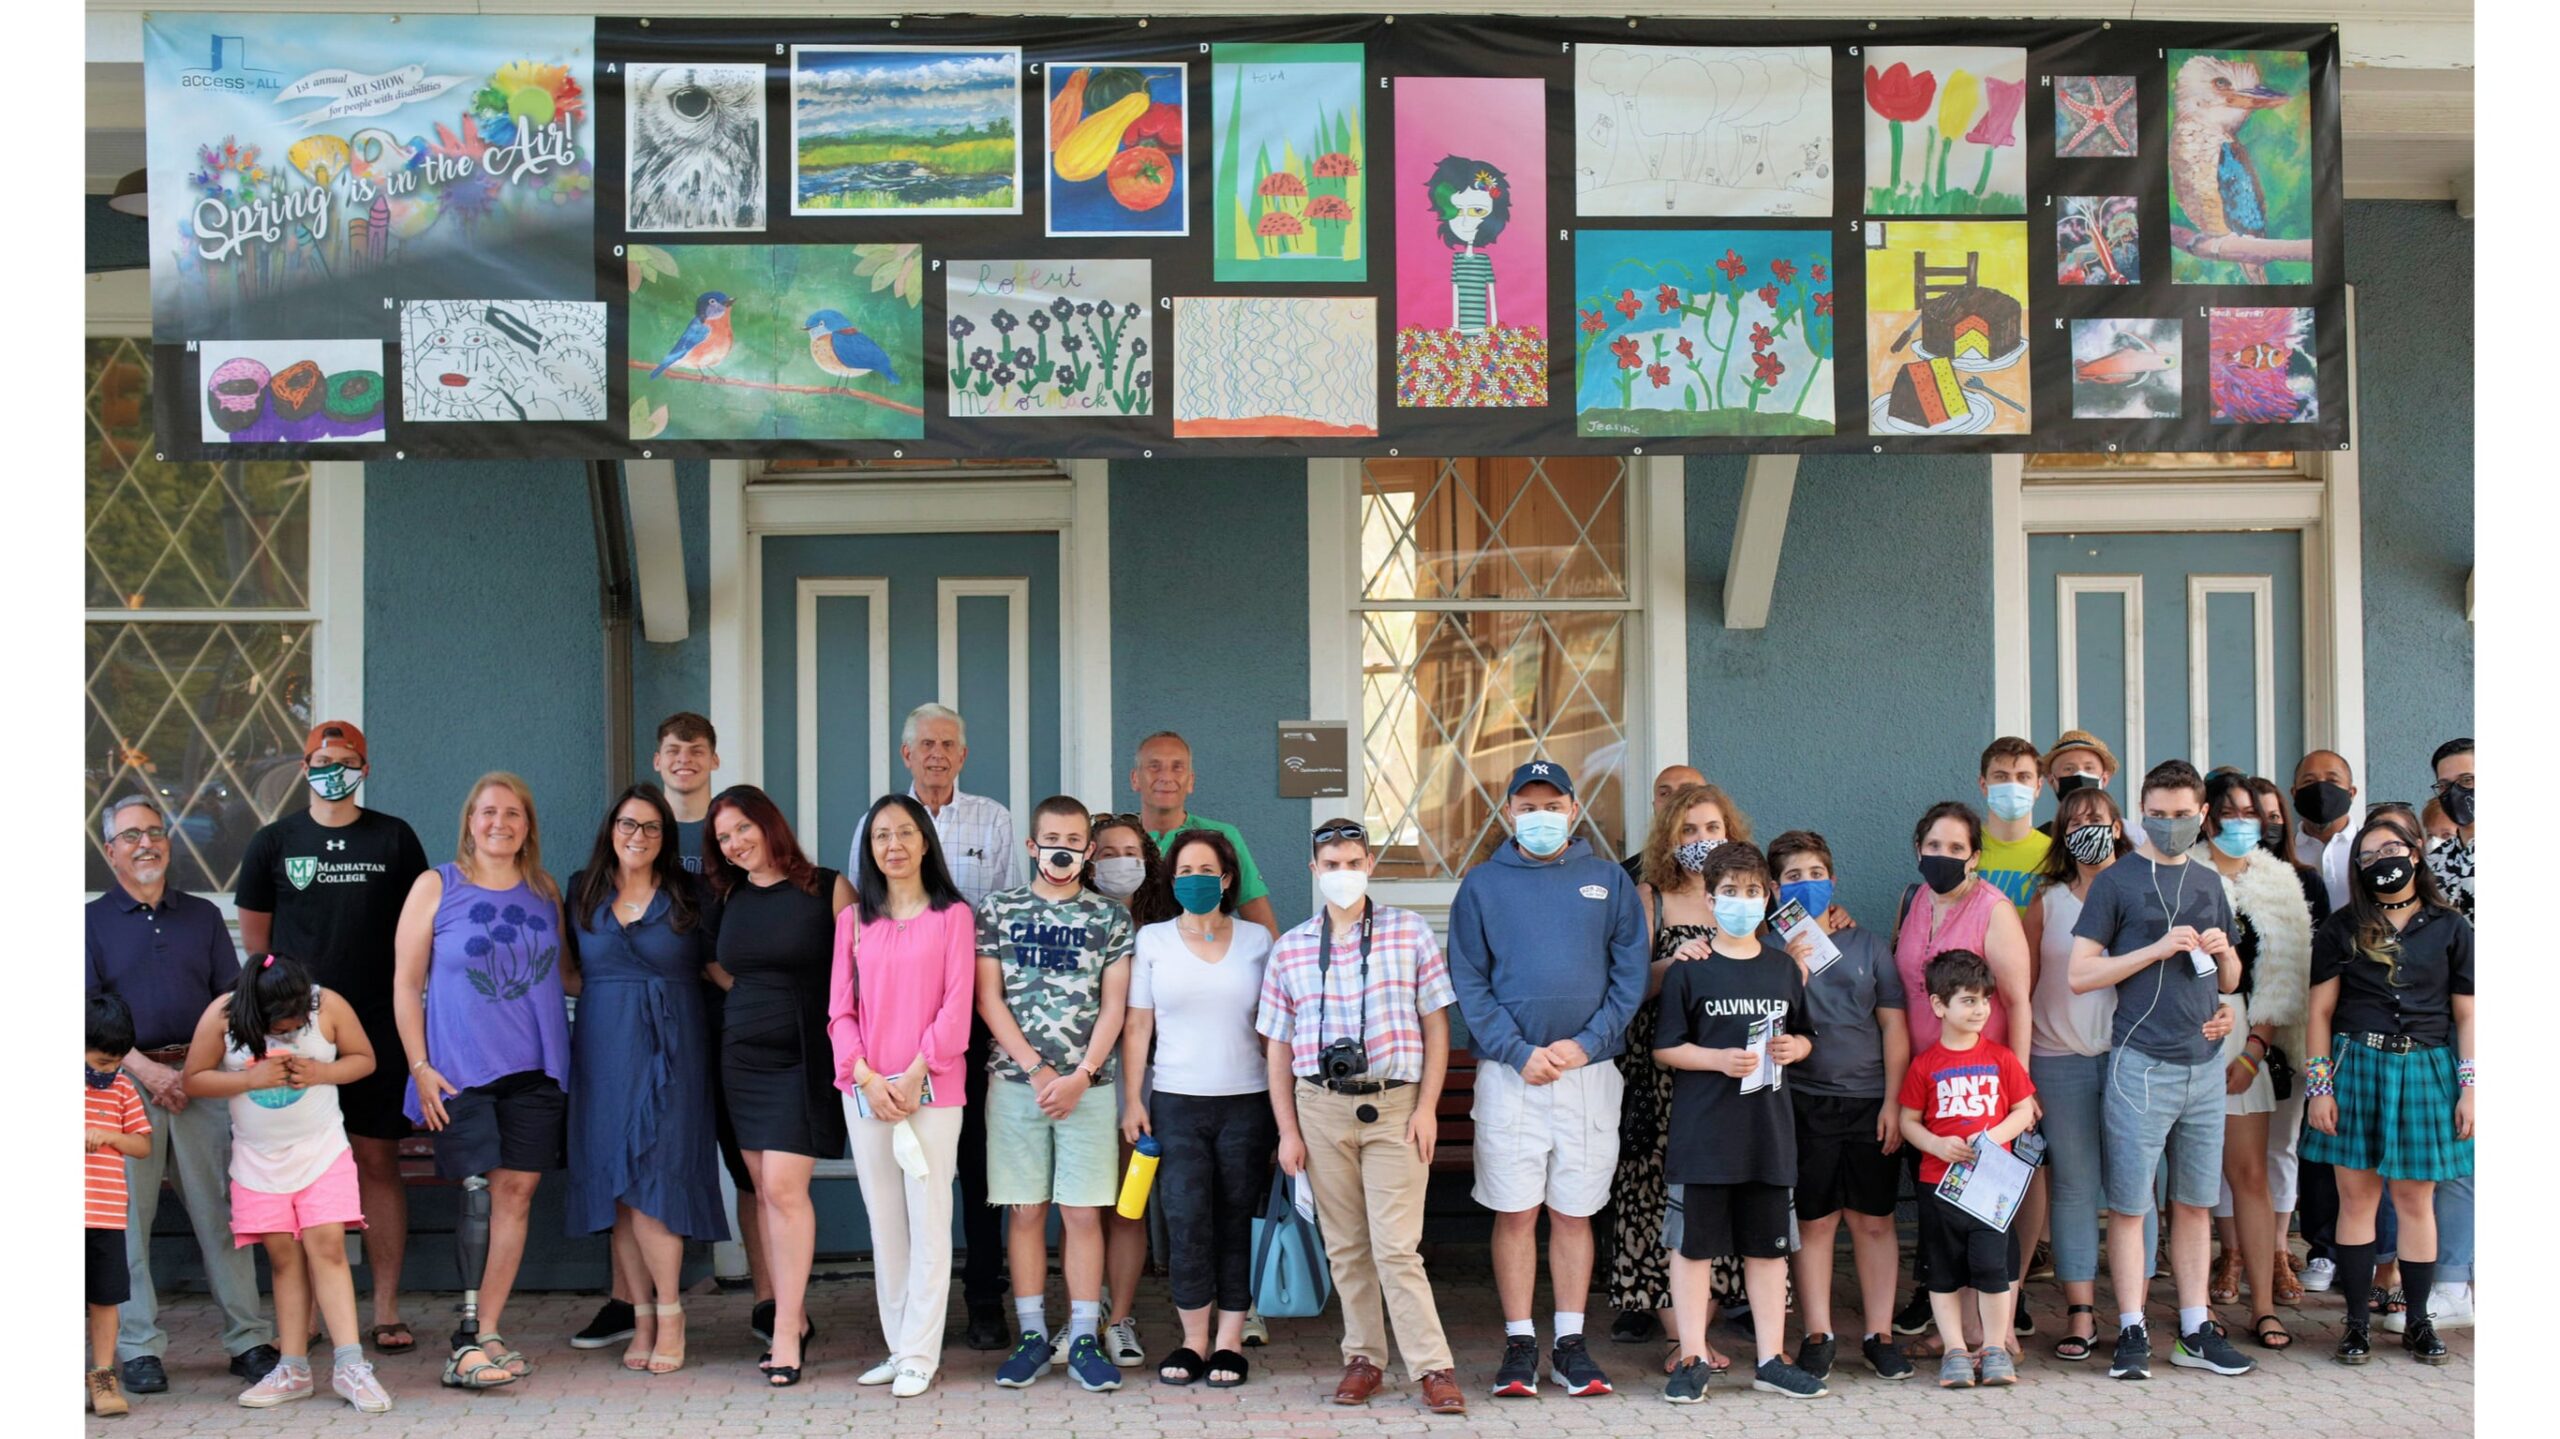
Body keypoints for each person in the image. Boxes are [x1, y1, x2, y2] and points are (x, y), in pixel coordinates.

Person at [1447, 760, 1647, 1400]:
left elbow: (1630, 976)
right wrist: (1514, 1049)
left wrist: (1586, 1045)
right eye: (1527, 805)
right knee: (1514, 1211)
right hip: (1511, 1077)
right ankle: (1518, 1343)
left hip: (1589, 1074)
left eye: (1551, 803)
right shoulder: (1481, 885)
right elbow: (1469, 980)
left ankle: (1568, 1342)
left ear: (1572, 806)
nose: (1540, 815)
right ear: (1509, 812)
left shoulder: (1607, 879)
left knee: (1573, 1212)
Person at [234, 720, 432, 1356]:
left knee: (376, 1160)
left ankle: (386, 1307)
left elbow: (419, 930)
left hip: (376, 1025)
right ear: (304, 766)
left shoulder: (394, 838)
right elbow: (257, 943)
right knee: (299, 1163)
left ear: (364, 769)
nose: (332, 768)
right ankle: (309, 1314)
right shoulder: (273, 842)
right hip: (298, 1029)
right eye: (322, 759)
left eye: (345, 760)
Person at [1259, 819, 1466, 1415]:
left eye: (1353, 862)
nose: (1343, 874)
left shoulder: (1408, 932)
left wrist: (1427, 1107)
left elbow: (1436, 1024)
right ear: (1314, 871)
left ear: (1370, 864)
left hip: (1395, 1105)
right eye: (1332, 864)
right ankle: (1365, 1358)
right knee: (1345, 1246)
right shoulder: (1292, 946)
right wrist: (1288, 1131)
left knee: (1397, 1247)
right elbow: (1277, 1045)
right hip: (1320, 1107)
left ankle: (1433, 1367)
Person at [84, 794, 277, 1394]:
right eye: (131, 835)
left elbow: (231, 1002)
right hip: (121, 1087)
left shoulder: (200, 917)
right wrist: (148, 1072)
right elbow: (83, 1014)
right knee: (128, 1222)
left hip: (200, 1082)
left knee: (222, 1213)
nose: (146, 843)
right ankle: (138, 1348)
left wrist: (188, 1071)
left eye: (155, 831)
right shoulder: (88, 923)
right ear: (110, 850)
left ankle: (247, 1338)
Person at [2066, 758, 2251, 1381]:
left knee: (2196, 1203)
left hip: (2203, 1064)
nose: (2168, 825)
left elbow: (2228, 981)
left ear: (2203, 817)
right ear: (2139, 813)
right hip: (2139, 1064)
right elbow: (2080, 973)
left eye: (2180, 816)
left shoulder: (2208, 883)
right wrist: (2153, 948)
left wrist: (2226, 989)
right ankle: (2133, 1328)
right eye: (2157, 815)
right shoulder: (2117, 881)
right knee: (2129, 1204)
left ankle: (2195, 1328)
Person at [593, 712, 767, 1354]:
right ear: (658, 759)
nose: (684, 760)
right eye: (673, 751)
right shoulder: (631, 847)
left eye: (697, 751)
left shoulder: (731, 828)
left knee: (751, 1164)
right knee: (631, 1162)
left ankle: (770, 1301)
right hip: (644, 1023)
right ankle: (625, 1303)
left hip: (724, 1016)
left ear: (714, 760)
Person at [393, 773, 571, 1391]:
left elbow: (567, 975)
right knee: (475, 1194)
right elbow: (404, 983)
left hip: (535, 1070)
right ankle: (463, 1342)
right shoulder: (436, 885)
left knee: (516, 1192)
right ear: (470, 821)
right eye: (489, 812)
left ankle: (488, 1330)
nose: (501, 823)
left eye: (514, 814)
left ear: (528, 826)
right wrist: (419, 1065)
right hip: (458, 1070)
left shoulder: (545, 890)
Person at [1650, 841, 1825, 1403]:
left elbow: (1806, 1035)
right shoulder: (1689, 971)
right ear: (1709, 898)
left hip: (1767, 1134)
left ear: (1768, 896)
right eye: (1730, 892)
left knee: (1768, 1249)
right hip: (1703, 1135)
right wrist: (1716, 1060)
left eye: (1753, 892)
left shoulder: (1783, 968)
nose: (1742, 902)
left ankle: (1772, 1358)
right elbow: (1665, 1049)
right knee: (1693, 1248)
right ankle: (1693, 1356)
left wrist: (1796, 1047)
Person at [562, 784, 727, 1375]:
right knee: (618, 1188)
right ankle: (641, 1319)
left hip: (674, 1050)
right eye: (629, 824)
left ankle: (672, 1312)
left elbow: (718, 969)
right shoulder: (582, 890)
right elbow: (566, 972)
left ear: (665, 838)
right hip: (604, 1049)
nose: (638, 836)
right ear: (612, 829)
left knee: (656, 1183)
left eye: (652, 828)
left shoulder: (689, 893)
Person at [183, 953, 392, 1413]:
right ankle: (293, 1368)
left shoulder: (328, 1005)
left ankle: (350, 1364)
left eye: (297, 1023)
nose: (289, 1032)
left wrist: (323, 1072)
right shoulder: (223, 1013)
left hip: (322, 1150)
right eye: (279, 1027)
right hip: (257, 1162)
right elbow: (193, 1079)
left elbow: (364, 1059)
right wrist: (248, 1077)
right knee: (283, 1259)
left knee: (328, 1246)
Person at [2302, 813, 2473, 1367]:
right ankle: (2355, 1326)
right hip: (2356, 1067)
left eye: (2391, 849)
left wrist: (2471, 1089)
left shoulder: (2451, 927)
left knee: (2414, 1199)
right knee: (2358, 1200)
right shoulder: (2342, 927)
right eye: (2369, 856)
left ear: (2416, 853)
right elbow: (2320, 1012)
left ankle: (2418, 1322)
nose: (2381, 862)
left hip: (2426, 1068)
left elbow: (2468, 1017)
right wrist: (2319, 1087)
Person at [978, 797, 1134, 1393]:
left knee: (1081, 1212)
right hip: (1017, 1087)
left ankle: (1086, 1337)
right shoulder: (998, 909)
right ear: (1031, 845)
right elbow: (988, 997)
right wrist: (1039, 1071)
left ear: (1088, 850)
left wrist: (1082, 1074)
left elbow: (1115, 1004)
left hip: (1088, 1090)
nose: (1061, 848)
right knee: (1025, 1210)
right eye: (1051, 838)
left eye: (1073, 838)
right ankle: (1031, 1335)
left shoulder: (1110, 919)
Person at [703, 784, 854, 1387]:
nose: (735, 844)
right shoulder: (728, 894)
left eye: (742, 829)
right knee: (764, 1191)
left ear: (769, 824)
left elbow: (860, 968)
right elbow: (712, 960)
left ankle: (788, 1330)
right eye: (723, 838)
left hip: (802, 1054)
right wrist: (741, 995)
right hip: (741, 1056)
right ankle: (791, 1314)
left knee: (787, 1191)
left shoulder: (826, 886)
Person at [829, 793, 979, 1398]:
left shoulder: (955, 918)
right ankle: (898, 1347)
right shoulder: (852, 923)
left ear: (925, 843)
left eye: (905, 834)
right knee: (885, 1223)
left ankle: (922, 1351)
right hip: (866, 1092)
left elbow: (956, 1005)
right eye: (881, 836)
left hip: (932, 1091)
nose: (894, 845)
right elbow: (840, 1011)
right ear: (870, 849)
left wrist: (916, 1072)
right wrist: (866, 1075)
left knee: (929, 1218)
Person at [1121, 829, 1277, 1387]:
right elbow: (1138, 1025)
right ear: (1171, 878)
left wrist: (1287, 1112)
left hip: (1247, 1103)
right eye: (1184, 870)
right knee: (1185, 1222)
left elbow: (1276, 1031)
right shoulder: (1153, 942)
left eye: (1206, 871)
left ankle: (1230, 1341)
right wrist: (1132, 1100)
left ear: (1227, 878)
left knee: (1236, 1220)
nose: (1195, 880)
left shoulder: (1259, 941)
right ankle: (1192, 1341)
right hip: (1176, 1103)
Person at [1611, 782, 1754, 1360]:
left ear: (1730, 834)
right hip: (1663, 1077)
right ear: (1669, 837)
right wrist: (1674, 962)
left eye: (1712, 829)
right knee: (1661, 1200)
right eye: (1688, 830)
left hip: (1730, 1075)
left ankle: (1704, 1329)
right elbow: (1630, 987)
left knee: (1722, 1198)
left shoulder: (1744, 896)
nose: (1701, 841)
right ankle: (1679, 1340)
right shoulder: (1650, 897)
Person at [1768, 829, 1915, 1384]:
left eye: (1815, 874)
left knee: (1875, 1221)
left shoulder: (1870, 946)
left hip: (1869, 1102)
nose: (1806, 884)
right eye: (1792, 877)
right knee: (1816, 1221)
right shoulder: (1766, 947)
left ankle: (1879, 1334)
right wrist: (1786, 958)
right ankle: (1818, 1333)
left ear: (1833, 879)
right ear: (1773, 888)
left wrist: (1895, 1102)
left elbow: (1894, 1028)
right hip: (1803, 1102)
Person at [2019, 786, 2157, 1361]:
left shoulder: (2144, 892)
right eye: (2074, 820)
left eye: (2097, 818)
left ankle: (2135, 1314)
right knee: (2074, 1189)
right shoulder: (2046, 902)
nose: (2086, 828)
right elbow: (2021, 989)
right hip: (2058, 1060)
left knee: (2136, 1190)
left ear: (2118, 825)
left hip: (2134, 1059)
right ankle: (2080, 1314)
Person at [1889, 801, 2033, 1348]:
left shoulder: (1994, 910)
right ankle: (1962, 1329)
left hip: (1984, 1087)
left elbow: (2018, 1002)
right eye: (1934, 846)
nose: (1943, 857)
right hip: (1926, 1084)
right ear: (1918, 848)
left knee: (1985, 1210)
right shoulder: (1914, 899)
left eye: (1956, 849)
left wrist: (2020, 1087)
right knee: (1945, 1211)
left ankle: (1991, 1335)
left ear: (1975, 856)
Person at [2192, 773, 2318, 1352]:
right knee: (2187, 1180)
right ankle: (2195, 1309)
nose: (2242, 822)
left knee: (2249, 1175)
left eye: (2252, 812)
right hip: (2182, 1030)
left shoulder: (2280, 883)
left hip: (2247, 1037)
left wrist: (2254, 1050)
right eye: (2230, 811)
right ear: (2208, 816)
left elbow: (2285, 976)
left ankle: (2263, 1307)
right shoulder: (2183, 870)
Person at [1898, 950, 2040, 1390]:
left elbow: (2025, 1111)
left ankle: (1993, 1347)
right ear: (1940, 1006)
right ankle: (1956, 1350)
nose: (1979, 1010)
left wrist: (1992, 1138)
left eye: (1984, 1000)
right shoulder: (1925, 1065)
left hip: (1989, 1189)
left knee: (1992, 1270)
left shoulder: (2001, 1059)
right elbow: (1908, 1121)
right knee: (1942, 1272)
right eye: (1967, 1000)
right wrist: (1937, 1144)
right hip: (1937, 1185)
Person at [1087, 811, 1173, 1367]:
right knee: (1082, 1206)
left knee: (1128, 1205)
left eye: (1131, 853)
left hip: (1136, 1085)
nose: (1121, 863)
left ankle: (1120, 1316)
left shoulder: (1164, 928)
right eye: (1109, 853)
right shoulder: (1073, 918)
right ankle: (1083, 1308)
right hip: (1083, 1082)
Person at [2409, 737, 2475, 1331]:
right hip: (2456, 1025)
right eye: (2448, 784)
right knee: (2459, 1153)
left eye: (2472, 779)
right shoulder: (2436, 866)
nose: (2461, 793)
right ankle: (2453, 1283)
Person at [1130, 731, 1278, 936]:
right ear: (1135, 779)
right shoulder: (1116, 838)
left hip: (1208, 956)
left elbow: (1264, 925)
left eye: (1177, 767)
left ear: (1190, 781)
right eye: (1154, 767)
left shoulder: (1221, 836)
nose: (1166, 777)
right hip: (1127, 962)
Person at [85, 994, 153, 1418]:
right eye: (97, 1062)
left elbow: (142, 1145)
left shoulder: (124, 1087)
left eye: (114, 1064)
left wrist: (109, 1136)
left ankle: (104, 1376)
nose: (106, 1072)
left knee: (105, 1298)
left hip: (105, 1214)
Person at [1976, 737, 2056, 910]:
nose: (2012, 785)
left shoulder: (2055, 855)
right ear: (1983, 785)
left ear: (2038, 787)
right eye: (2001, 776)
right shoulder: (1962, 848)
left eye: (2023, 777)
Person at [2290, 750, 2363, 911]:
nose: (2321, 790)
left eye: (2332, 780)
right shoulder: (2282, 854)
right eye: (2309, 781)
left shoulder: (2369, 850)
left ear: (2351, 793)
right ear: (2294, 793)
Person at [1620, 764, 1707, 881]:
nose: (1675, 800)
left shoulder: (1735, 864)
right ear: (1654, 806)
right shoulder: (1627, 875)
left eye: (1686, 791)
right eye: (1665, 794)